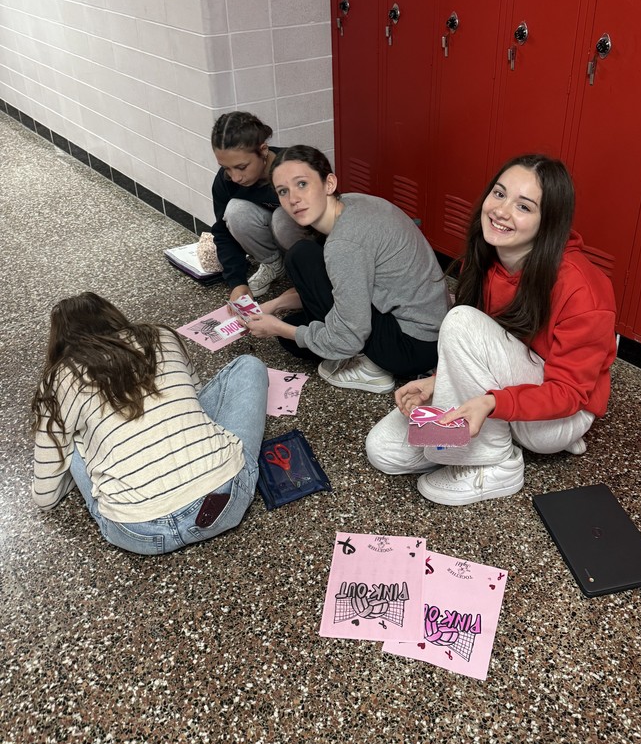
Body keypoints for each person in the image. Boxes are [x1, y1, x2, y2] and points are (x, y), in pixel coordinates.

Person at [365, 154, 617, 506]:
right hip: (504, 395)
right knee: (383, 450)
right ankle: (492, 435)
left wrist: (492, 402)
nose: (501, 210)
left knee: (460, 320)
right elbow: (479, 349)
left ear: (549, 223)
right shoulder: (487, 259)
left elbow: (570, 393)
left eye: (524, 207)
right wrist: (436, 382)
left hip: (558, 418)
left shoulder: (583, 288)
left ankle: (499, 462)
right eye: (499, 194)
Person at [31, 292, 268, 555]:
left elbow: (46, 495)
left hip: (138, 531)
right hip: (228, 499)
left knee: (69, 440)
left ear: (59, 342)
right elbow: (196, 397)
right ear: (113, 315)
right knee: (248, 365)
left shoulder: (57, 379)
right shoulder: (160, 335)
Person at [245, 145, 450, 393]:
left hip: (410, 347)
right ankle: (349, 347)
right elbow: (344, 284)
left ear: (329, 183)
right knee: (302, 273)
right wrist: (276, 305)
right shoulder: (354, 203)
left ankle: (373, 368)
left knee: (292, 331)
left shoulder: (343, 244)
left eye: (302, 184)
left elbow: (346, 338)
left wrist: (276, 327)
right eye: (283, 191)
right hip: (433, 329)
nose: (293, 199)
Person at [210, 111, 310, 301]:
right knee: (235, 211)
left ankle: (303, 270)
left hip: (308, 247)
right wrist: (237, 282)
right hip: (273, 243)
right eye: (226, 168)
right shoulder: (226, 181)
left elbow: (327, 225)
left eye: (241, 167)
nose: (235, 177)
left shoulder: (296, 169)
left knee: (283, 216)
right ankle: (273, 265)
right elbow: (223, 233)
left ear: (263, 150)